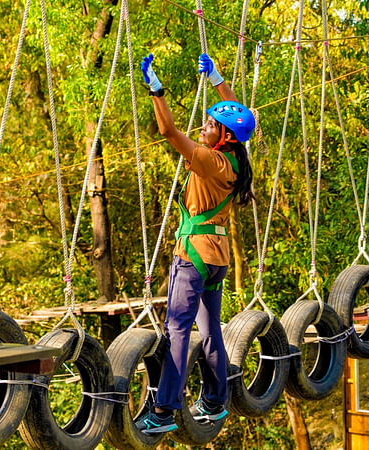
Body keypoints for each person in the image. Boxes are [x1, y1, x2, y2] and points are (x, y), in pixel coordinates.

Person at [135, 53, 256, 434]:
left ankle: (165, 411)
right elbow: (239, 115)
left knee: (176, 330)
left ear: (223, 136)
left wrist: (156, 91)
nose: (202, 129)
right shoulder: (235, 157)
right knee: (210, 330)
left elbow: (169, 131)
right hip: (215, 258)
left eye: (208, 126)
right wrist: (219, 81)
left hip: (193, 257)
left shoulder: (209, 160)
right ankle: (216, 402)